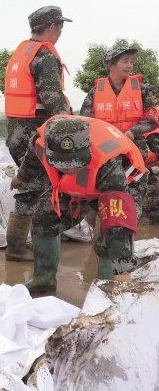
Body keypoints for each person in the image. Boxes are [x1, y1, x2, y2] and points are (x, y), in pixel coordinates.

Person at [11, 115, 147, 294]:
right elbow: (31, 161)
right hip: (80, 186)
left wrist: (123, 283)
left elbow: (118, 228)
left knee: (108, 235)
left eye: (75, 165)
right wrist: (21, 178)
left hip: (126, 185)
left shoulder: (109, 165)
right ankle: (43, 280)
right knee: (44, 216)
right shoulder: (40, 141)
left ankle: (107, 289)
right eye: (64, 166)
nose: (70, 170)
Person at [3, 6, 73, 262]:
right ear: (52, 26)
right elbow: (53, 101)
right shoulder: (44, 55)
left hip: (16, 134)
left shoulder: (21, 52)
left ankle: (18, 246)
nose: (62, 32)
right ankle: (22, 250)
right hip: (36, 134)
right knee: (40, 192)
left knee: (29, 187)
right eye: (61, 26)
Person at [80, 46, 159, 165]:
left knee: (136, 180)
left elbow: (152, 119)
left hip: (135, 147)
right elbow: (85, 122)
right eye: (125, 61)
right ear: (111, 66)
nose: (130, 65)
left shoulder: (141, 89)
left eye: (131, 62)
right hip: (106, 149)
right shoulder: (95, 92)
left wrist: (133, 132)